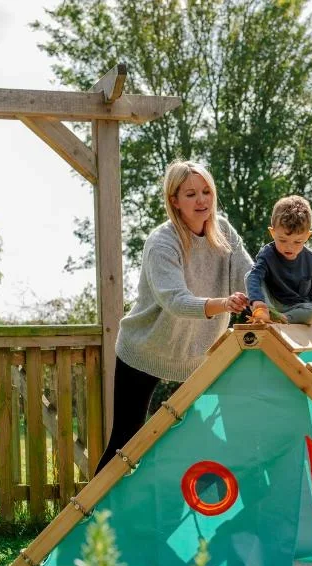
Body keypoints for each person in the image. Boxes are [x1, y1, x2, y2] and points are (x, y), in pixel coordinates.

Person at [96, 160, 251, 471]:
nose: (202, 200)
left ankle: (191, 515)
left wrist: (284, 303)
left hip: (197, 357)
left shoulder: (224, 234)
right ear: (174, 201)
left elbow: (250, 277)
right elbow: (176, 301)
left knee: (200, 441)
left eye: (206, 191)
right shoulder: (162, 243)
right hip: (145, 348)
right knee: (125, 441)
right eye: (191, 194)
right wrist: (225, 304)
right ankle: (95, 517)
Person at [246, 195, 312, 332]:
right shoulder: (267, 253)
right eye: (283, 240)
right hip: (271, 304)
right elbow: (254, 278)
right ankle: (265, 313)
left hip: (296, 308)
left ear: (307, 236)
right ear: (272, 233)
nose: (289, 247)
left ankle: (282, 319)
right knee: (250, 275)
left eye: (297, 242)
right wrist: (258, 302)